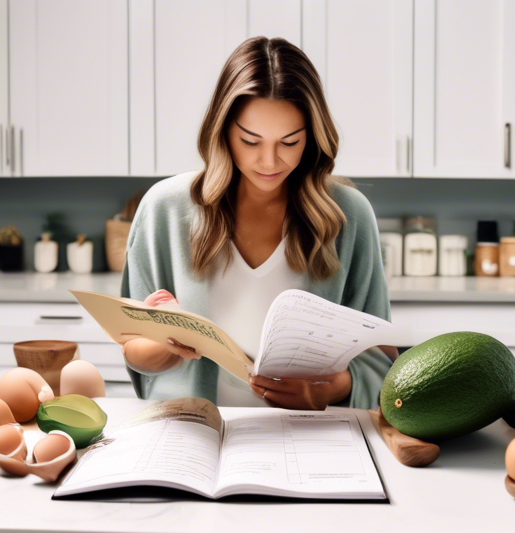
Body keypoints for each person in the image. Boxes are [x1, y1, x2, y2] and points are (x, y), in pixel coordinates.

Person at [119, 36, 398, 410]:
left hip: (307, 437)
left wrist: (331, 389)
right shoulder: (163, 210)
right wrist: (162, 348)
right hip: (191, 431)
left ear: (312, 138)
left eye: (290, 142)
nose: (270, 162)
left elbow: (382, 362)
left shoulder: (349, 216)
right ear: (223, 131)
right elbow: (134, 351)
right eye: (250, 141)